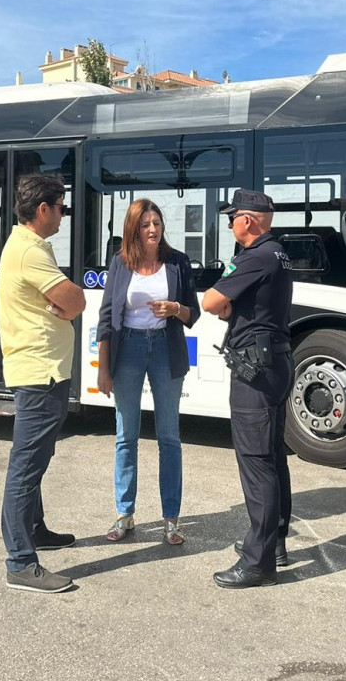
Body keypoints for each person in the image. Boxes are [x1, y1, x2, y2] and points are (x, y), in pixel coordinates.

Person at [0, 174, 86, 593]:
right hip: (37, 372)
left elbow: (66, 302)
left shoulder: (30, 248)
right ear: (44, 209)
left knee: (37, 457)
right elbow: (77, 300)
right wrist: (66, 307)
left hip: (44, 369)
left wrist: (63, 306)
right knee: (26, 466)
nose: (64, 216)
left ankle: (35, 530)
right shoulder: (29, 252)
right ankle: (19, 561)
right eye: (62, 207)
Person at [201, 189, 294, 588]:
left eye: (232, 217)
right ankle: (274, 544)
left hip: (255, 371)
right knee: (273, 456)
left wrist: (225, 302)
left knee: (256, 463)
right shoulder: (278, 253)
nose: (229, 224)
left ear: (249, 221)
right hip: (275, 361)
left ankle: (258, 563)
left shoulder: (253, 257)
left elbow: (210, 302)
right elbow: (228, 305)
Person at [96, 199, 201, 545]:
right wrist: (103, 369)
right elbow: (106, 318)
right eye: (145, 224)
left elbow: (194, 314)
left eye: (156, 222)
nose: (153, 229)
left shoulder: (177, 262)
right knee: (126, 436)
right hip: (128, 349)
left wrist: (176, 309)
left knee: (169, 437)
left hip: (165, 349)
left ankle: (171, 518)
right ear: (133, 230)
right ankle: (125, 513)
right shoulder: (119, 263)